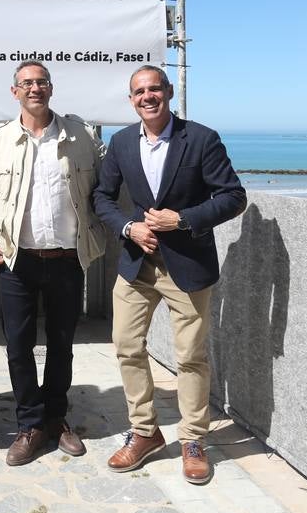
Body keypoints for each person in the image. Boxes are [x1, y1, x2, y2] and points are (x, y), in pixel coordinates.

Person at [92, 65, 246, 484]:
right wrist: (129, 227)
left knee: (190, 357)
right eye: (139, 91)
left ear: (170, 92)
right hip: (137, 262)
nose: (148, 97)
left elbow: (234, 197)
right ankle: (144, 432)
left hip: (188, 266)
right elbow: (102, 198)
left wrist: (183, 219)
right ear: (131, 99)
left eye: (154, 89)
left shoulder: (201, 138)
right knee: (126, 345)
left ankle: (193, 440)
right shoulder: (122, 142)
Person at [0, 60, 108, 466]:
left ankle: (55, 418)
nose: (35, 89)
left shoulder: (80, 135)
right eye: (27, 83)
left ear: (51, 88)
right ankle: (29, 423)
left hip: (68, 258)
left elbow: (105, 186)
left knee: (63, 345)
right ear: (15, 92)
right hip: (18, 260)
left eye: (41, 82)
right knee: (18, 346)